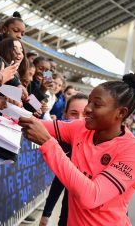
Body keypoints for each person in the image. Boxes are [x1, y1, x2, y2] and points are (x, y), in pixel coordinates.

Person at [19, 73, 135, 225]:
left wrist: (48, 144)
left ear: (121, 113)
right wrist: (4, 104)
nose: (87, 109)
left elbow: (92, 196)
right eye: (89, 102)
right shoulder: (81, 128)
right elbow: (34, 123)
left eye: (97, 104)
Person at [40, 93, 89, 226]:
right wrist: (46, 214)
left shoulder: (107, 140)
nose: (80, 119)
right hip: (69, 215)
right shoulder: (65, 141)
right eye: (74, 113)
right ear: (65, 114)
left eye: (85, 114)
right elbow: (61, 178)